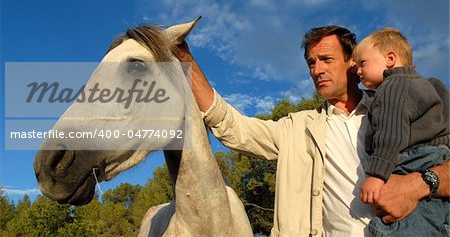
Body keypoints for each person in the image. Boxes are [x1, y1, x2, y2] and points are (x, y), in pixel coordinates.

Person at [175, 25, 450, 236]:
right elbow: (232, 125)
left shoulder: (401, 105)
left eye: (327, 59)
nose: (317, 69)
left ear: (352, 64)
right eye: (311, 62)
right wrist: (185, 59)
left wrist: (421, 183)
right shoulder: (296, 128)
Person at [353, 28, 449, 236]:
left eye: (362, 63)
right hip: (438, 158)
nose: (358, 71)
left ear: (390, 59)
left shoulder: (391, 86)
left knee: (404, 227)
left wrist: (376, 174)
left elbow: (390, 133)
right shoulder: (433, 85)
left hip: (411, 161)